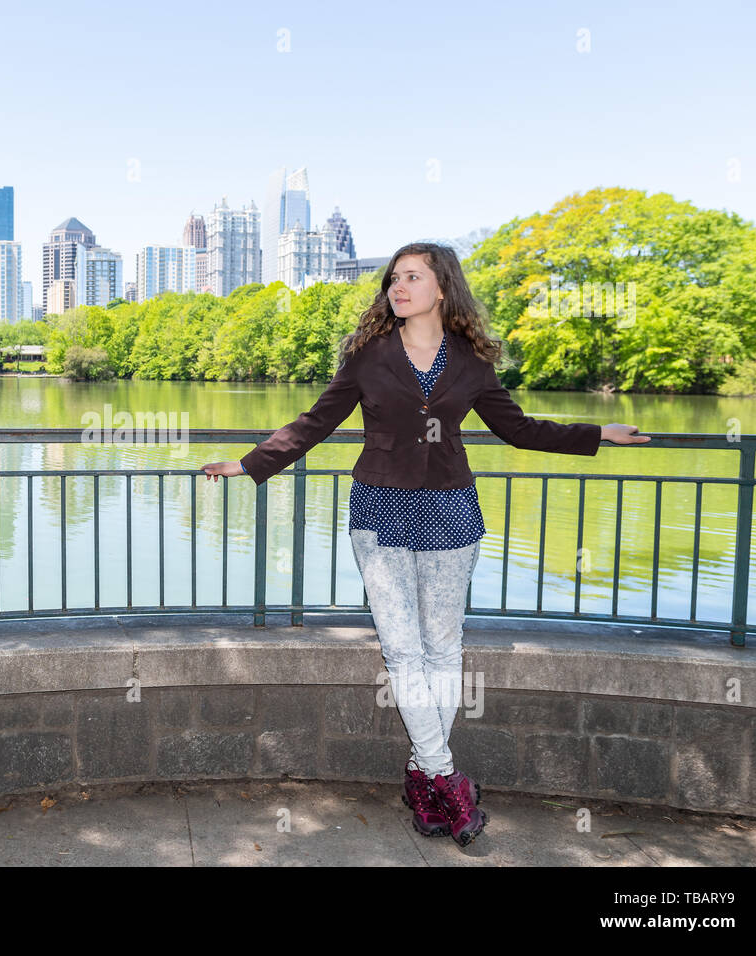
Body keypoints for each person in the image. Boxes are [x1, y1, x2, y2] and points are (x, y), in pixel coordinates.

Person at [200, 242, 649, 848]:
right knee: (403, 652)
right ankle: (445, 778)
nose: (398, 287)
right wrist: (249, 464)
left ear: (443, 289)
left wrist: (597, 432)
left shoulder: (470, 362)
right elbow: (315, 422)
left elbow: (517, 429)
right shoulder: (369, 356)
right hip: (380, 511)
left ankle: (424, 778)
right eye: (393, 279)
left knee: (442, 650)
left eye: (413, 277)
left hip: (450, 510)